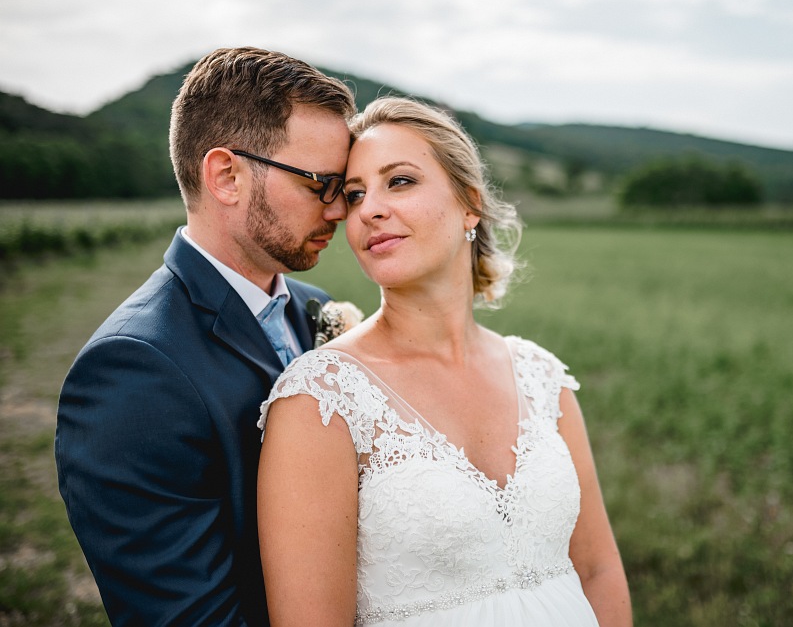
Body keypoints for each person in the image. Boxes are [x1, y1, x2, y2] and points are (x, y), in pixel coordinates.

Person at [257, 97, 632, 626]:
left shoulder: (542, 377)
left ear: (469, 205)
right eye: (356, 193)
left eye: (401, 181)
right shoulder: (321, 399)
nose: (368, 210)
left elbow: (595, 569)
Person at [55, 46, 356, 626]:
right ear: (226, 176)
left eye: (346, 188)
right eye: (322, 183)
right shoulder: (132, 372)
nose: (340, 210)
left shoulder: (317, 311)